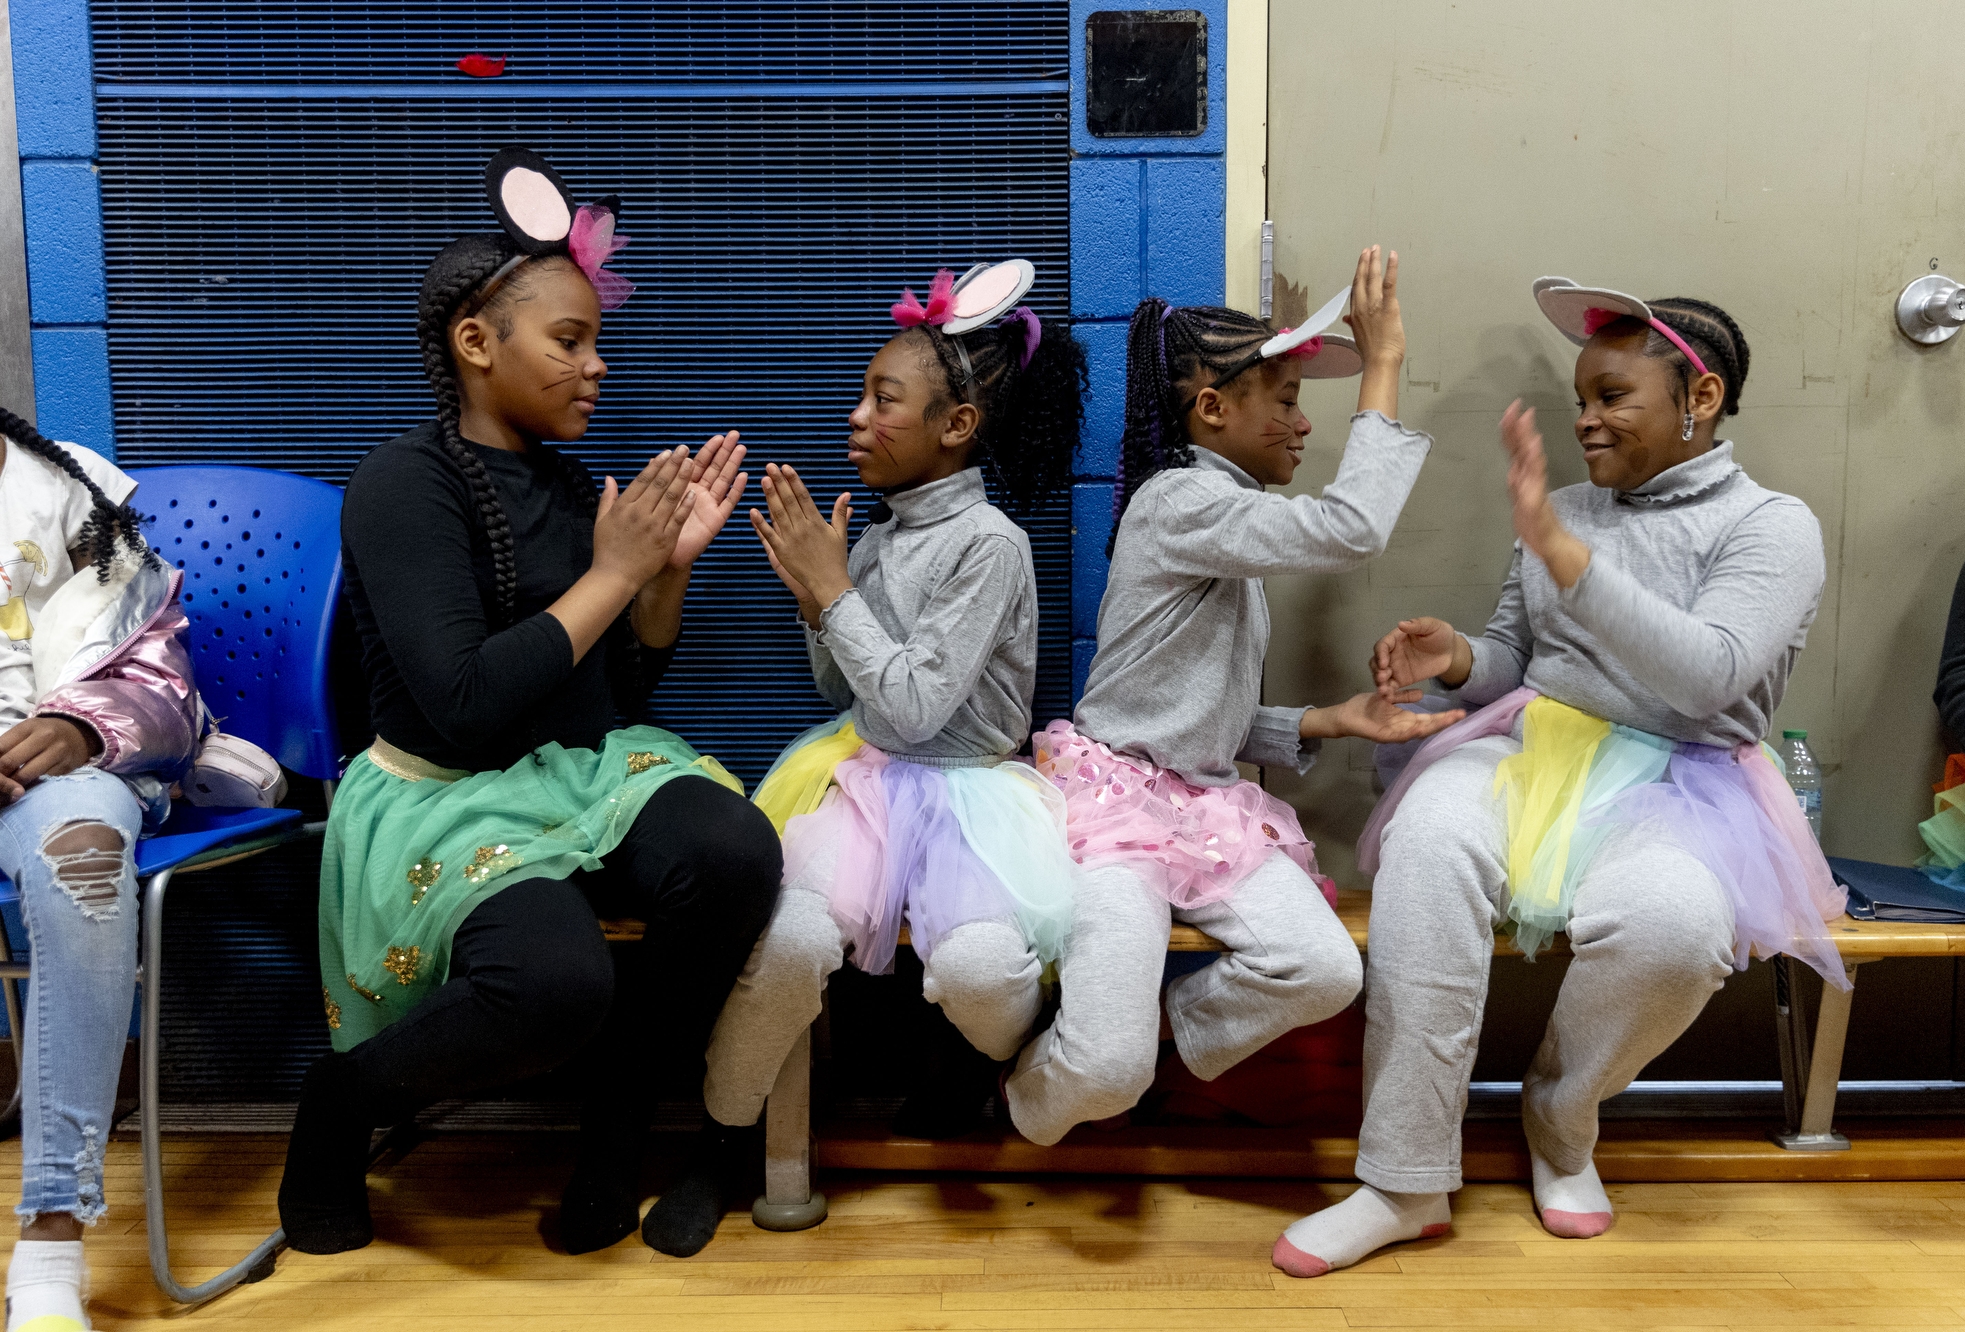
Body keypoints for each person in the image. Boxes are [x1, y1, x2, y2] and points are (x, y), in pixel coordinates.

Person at [1274, 280, 1842, 1277]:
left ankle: (1558, 1116)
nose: (1583, 417)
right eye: (1580, 396)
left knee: (1673, 926)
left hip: (1686, 781)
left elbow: (1708, 671)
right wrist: (1453, 656)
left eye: (1612, 395)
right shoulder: (1564, 510)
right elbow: (1514, 655)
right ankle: (1402, 1178)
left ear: (1697, 399)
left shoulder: (1771, 526)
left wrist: (1566, 553)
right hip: (1530, 747)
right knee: (1429, 843)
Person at [278, 148, 781, 1261]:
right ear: (475, 344)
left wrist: (663, 580)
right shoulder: (401, 485)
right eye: (570, 341)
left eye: (596, 340)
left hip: (574, 772)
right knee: (558, 984)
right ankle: (343, 1107)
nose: (596, 368)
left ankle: (616, 1134)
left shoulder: (565, 488)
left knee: (736, 852)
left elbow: (611, 694)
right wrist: (612, 575)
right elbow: (459, 707)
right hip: (447, 799)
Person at [1004, 246, 1457, 1147]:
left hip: (1201, 811)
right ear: (1211, 408)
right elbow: (1353, 526)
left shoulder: (1227, 525)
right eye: (1286, 401)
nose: (1303, 427)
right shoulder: (1181, 501)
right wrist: (1384, 364)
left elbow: (1187, 712)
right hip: (1117, 810)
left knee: (1323, 969)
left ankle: (1153, 1045)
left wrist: (1327, 721)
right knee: (1102, 1070)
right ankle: (1023, 1097)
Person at [704, 261, 1088, 1138]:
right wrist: (818, 602)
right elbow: (845, 693)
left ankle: (997, 1070)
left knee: (983, 973)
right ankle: (722, 1135)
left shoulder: (992, 545)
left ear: (956, 425)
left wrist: (833, 591)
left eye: (883, 400)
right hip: (866, 784)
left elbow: (917, 708)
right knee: (792, 948)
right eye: (863, 397)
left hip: (974, 800)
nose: (857, 416)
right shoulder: (878, 537)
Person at [0, 409, 204, 1332]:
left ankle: (49, 1247)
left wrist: (87, 727)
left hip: (53, 770)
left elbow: (159, 672)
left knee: (83, 860)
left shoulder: (68, 487)